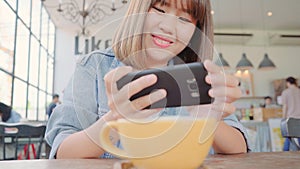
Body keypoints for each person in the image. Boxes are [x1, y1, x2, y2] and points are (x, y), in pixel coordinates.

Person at [45, 0, 250, 159]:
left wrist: (209, 120)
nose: (168, 27)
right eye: (159, 10)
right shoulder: (94, 67)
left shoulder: (199, 78)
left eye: (185, 19)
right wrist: (115, 121)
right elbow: (63, 150)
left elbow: (239, 146)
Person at [281, 76, 300, 151]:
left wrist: (283, 118)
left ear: (288, 83)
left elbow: (285, 106)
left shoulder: (286, 92)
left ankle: (285, 152)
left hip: (291, 119)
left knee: (289, 137)